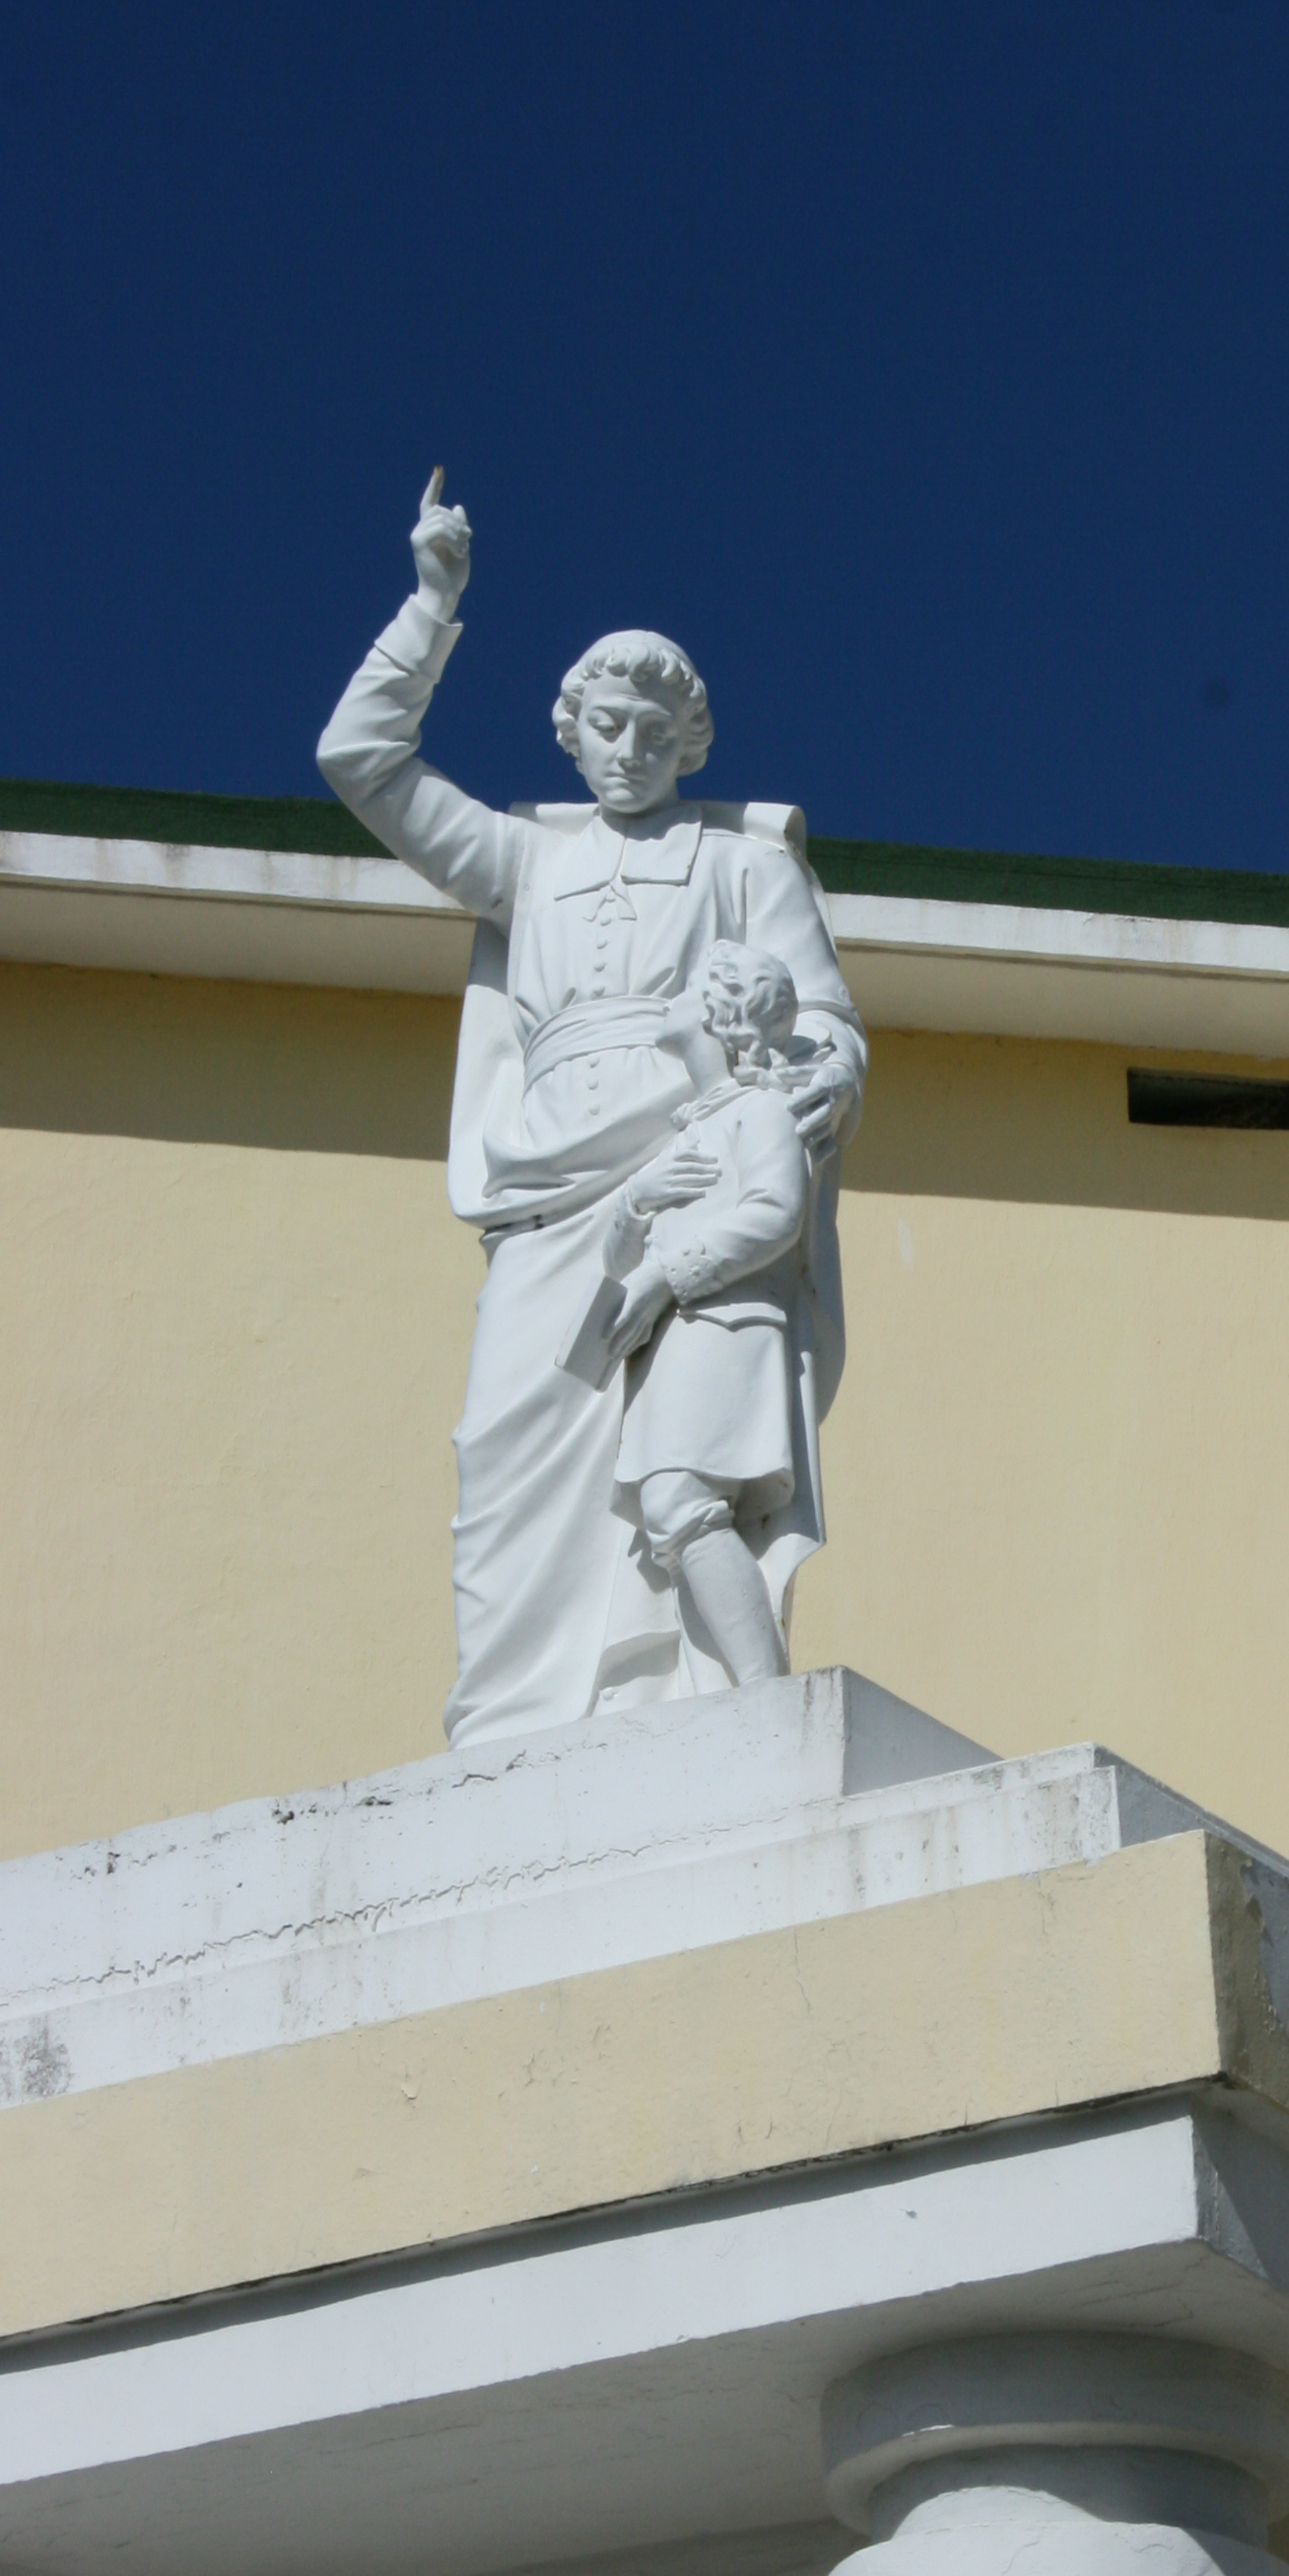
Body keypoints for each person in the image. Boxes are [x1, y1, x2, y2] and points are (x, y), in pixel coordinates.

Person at [315, 482, 863, 1739]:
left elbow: (827, 1027)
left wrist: (807, 1077)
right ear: (572, 734)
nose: (629, 749)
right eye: (607, 725)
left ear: (689, 745)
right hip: (548, 1191)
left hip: (684, 1176)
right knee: (505, 1447)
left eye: (655, 731)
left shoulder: (745, 866)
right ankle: (510, 1724)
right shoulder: (528, 866)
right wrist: (431, 606)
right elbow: (360, 761)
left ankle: (698, 1697)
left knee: (676, 1469)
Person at [561, 942, 821, 1690]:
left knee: (681, 1501)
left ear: (718, 1009)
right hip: (669, 1343)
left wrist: (668, 1276)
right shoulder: (686, 1133)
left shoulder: (760, 1111)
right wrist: (635, 1202)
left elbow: (776, 1215)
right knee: (674, 1521)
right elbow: (618, 1261)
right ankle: (731, 1694)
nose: (666, 998)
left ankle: (765, 1690)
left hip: (723, 1330)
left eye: (684, 987)